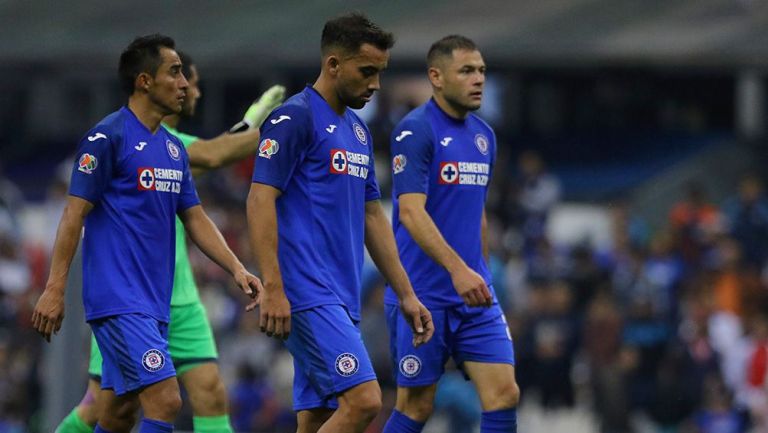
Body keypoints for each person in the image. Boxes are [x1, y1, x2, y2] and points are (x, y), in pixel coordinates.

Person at [32, 34, 263, 433]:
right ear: (144, 81)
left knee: (118, 414)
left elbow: (194, 218)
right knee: (166, 399)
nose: (185, 84)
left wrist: (237, 268)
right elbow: (73, 215)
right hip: (119, 301)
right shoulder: (108, 138)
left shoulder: (173, 149)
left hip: (154, 303)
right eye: (174, 73)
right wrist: (54, 289)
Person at [246, 12, 435, 433]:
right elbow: (259, 199)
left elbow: (372, 215)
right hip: (305, 292)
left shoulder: (359, 133)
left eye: (380, 73)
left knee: (317, 419)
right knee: (364, 401)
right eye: (367, 71)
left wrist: (405, 293)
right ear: (333, 64)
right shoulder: (294, 117)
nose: (375, 84)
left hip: (342, 293)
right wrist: (273, 286)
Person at [382, 35, 520, 433]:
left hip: (475, 298)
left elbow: (476, 214)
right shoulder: (415, 131)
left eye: (481, 71)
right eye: (467, 71)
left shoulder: (484, 137)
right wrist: (458, 269)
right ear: (436, 77)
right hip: (423, 298)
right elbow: (409, 211)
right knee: (415, 407)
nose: (478, 79)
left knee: (504, 394)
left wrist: (483, 273)